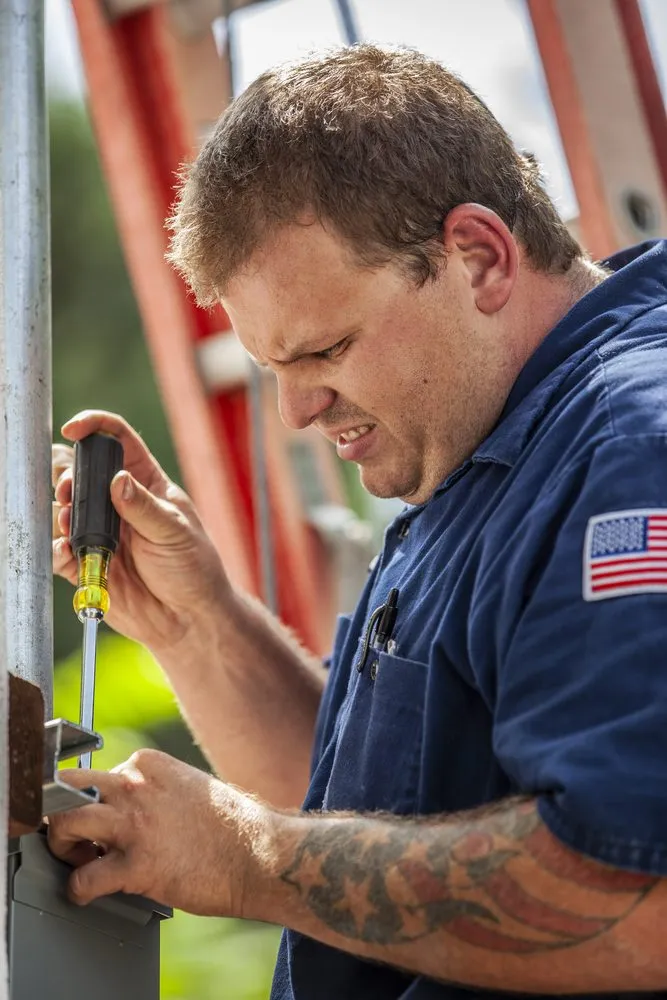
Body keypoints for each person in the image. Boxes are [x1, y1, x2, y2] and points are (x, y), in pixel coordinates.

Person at [49, 44, 667, 998]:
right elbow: (379, 830)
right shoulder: (481, 445)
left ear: (479, 256)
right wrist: (194, 622)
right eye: (272, 369)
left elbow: (635, 898)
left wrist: (245, 858)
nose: (296, 413)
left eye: (326, 349)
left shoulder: (630, 447)